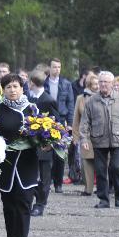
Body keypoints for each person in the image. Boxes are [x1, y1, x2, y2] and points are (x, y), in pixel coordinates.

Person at [0, 74, 40, 237]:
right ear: (3, 90)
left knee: (24, 203)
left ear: (22, 88)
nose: (12, 90)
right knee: (9, 206)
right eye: (8, 87)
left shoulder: (33, 109)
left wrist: (44, 142)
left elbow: (43, 133)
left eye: (15, 86)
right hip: (7, 165)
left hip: (27, 164)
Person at [80, 71, 119, 209]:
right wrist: (84, 139)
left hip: (118, 140)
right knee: (100, 170)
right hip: (99, 140)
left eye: (106, 82)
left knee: (117, 168)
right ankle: (104, 200)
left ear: (112, 83)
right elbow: (85, 122)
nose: (103, 84)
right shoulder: (91, 101)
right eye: (101, 81)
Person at [26, 70, 59, 216]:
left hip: (44, 142)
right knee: (31, 174)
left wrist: (52, 141)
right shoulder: (27, 98)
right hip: (30, 143)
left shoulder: (48, 100)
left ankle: (40, 204)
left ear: (32, 83)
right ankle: (32, 199)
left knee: (45, 176)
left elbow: (55, 121)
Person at [43, 58, 75, 193]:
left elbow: (70, 103)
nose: (57, 69)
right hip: (46, 119)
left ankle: (58, 183)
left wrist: (71, 123)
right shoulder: (44, 83)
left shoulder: (66, 84)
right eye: (54, 67)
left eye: (59, 67)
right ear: (49, 68)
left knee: (60, 153)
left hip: (61, 120)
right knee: (46, 152)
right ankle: (46, 181)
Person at [72, 72, 99, 196]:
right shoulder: (80, 98)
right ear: (88, 84)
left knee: (102, 163)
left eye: (98, 83)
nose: (98, 86)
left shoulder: (102, 97)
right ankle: (88, 189)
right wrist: (75, 136)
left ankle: (102, 187)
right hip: (85, 135)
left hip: (100, 135)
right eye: (95, 84)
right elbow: (76, 119)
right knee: (86, 163)